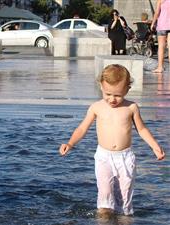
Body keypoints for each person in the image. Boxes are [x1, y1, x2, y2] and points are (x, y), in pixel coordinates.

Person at [59, 64, 165, 218]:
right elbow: (82, 129)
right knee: (105, 193)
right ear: (101, 86)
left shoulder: (131, 107)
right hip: (104, 157)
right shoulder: (96, 107)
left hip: (125, 157)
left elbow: (141, 129)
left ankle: (125, 219)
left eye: (118, 95)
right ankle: (104, 218)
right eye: (108, 94)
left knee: (125, 194)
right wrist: (70, 143)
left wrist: (154, 146)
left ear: (127, 89)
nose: (112, 99)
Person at [151, 0, 170, 73]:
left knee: (161, 46)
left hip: (162, 25)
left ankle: (160, 67)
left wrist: (153, 23)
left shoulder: (160, 0)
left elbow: (157, 12)